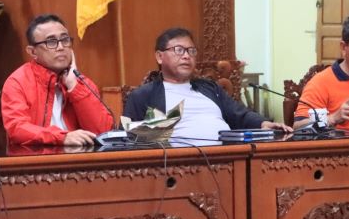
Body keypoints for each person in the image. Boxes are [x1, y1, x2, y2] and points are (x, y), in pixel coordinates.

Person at [123, 27, 290, 142]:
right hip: (176, 169)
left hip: (228, 159)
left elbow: (239, 114)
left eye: (191, 51)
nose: (186, 56)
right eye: (179, 50)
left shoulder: (209, 88)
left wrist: (263, 124)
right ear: (160, 57)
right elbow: (129, 139)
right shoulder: (144, 96)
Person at [1, 14, 113, 146]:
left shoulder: (82, 83)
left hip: (79, 156)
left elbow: (103, 132)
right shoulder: (17, 82)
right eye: (51, 42)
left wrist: (74, 88)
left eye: (65, 40)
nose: (61, 47)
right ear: (32, 52)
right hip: (36, 156)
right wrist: (62, 137)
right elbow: (17, 128)